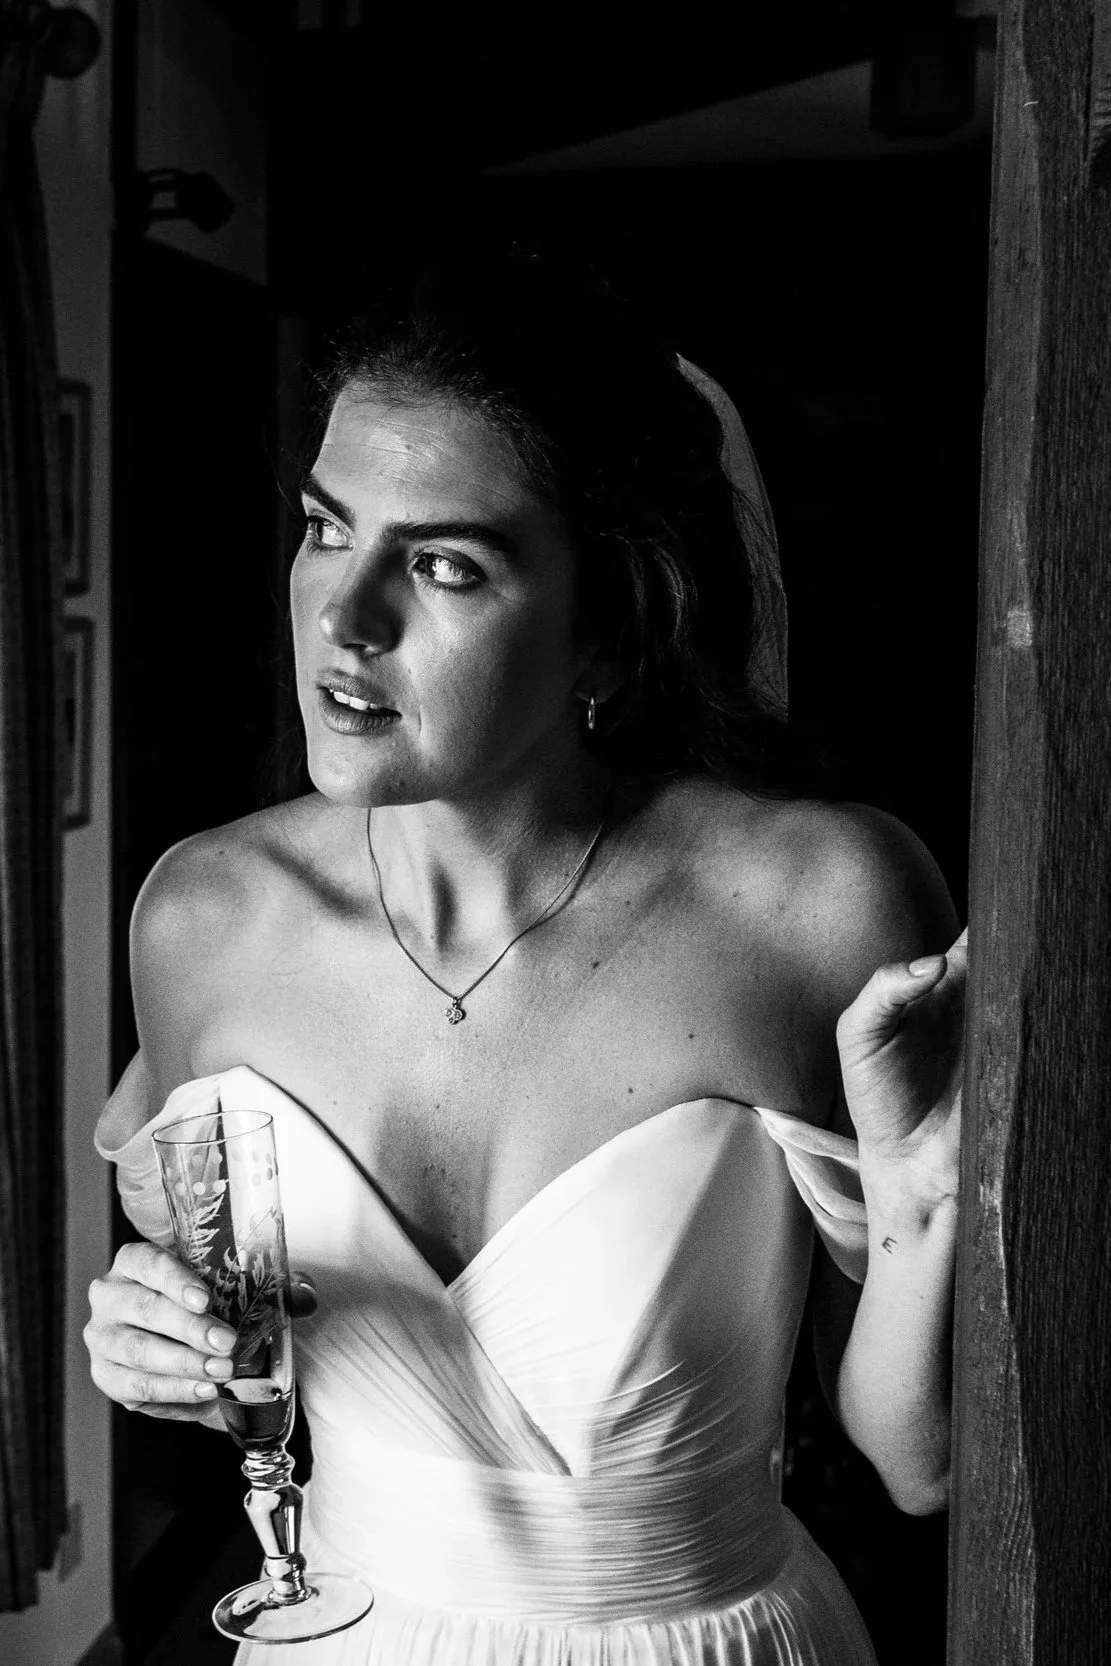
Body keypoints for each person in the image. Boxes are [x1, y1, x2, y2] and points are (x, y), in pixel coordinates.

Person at [85, 255, 965, 1665]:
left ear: (608, 620)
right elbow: (212, 1286)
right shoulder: (202, 914)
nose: (341, 613)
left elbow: (917, 1463)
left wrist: (925, 1195)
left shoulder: (813, 902)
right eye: (324, 528)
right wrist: (151, 1333)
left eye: (442, 564)